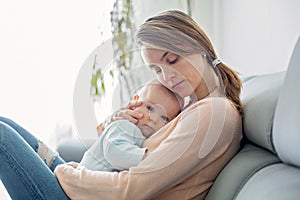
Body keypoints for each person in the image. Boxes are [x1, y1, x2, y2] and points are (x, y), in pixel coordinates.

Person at [0, 9, 243, 200]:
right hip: (98, 186)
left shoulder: (214, 114)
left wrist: (65, 173)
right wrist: (122, 127)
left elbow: (130, 189)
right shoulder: (192, 106)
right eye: (156, 69)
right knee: (5, 123)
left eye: (172, 60)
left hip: (103, 194)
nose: (167, 77)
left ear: (198, 45)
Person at [78, 80, 181, 171]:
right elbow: (114, 152)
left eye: (164, 118)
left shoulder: (149, 137)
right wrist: (146, 157)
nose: (154, 119)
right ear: (134, 102)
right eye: (150, 108)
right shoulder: (125, 125)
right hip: (79, 182)